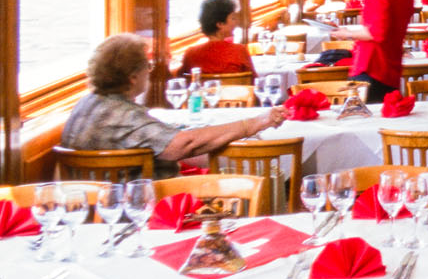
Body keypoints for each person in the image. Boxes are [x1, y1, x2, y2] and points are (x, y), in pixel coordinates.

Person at [63, 34, 286, 178]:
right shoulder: (124, 116)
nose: (149, 72)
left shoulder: (85, 104)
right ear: (133, 77)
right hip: (141, 209)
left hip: (90, 211)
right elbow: (184, 144)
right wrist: (253, 124)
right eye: (147, 67)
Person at [177, 0, 254, 76]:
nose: (237, 22)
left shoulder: (190, 54)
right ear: (220, 24)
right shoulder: (239, 51)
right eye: (233, 18)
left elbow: (182, 77)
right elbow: (253, 80)